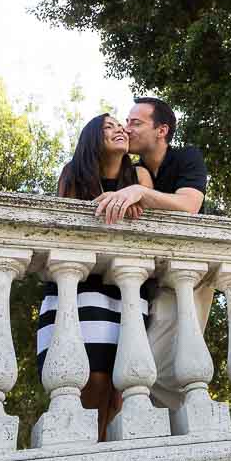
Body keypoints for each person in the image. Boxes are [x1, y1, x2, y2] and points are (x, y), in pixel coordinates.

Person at [35, 113, 153, 441]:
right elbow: (67, 228)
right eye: (108, 126)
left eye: (121, 125)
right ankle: (84, 450)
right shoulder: (73, 174)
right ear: (92, 138)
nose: (119, 130)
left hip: (125, 286)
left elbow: (147, 225)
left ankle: (106, 453)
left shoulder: (139, 175)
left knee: (122, 384)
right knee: (89, 376)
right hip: (81, 284)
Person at [95, 97, 214, 410]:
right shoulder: (133, 170)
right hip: (146, 276)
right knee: (139, 359)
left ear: (162, 130)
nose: (127, 128)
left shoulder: (187, 157)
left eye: (136, 123)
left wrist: (141, 193)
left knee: (166, 365)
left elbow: (190, 206)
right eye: (127, 122)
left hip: (188, 272)